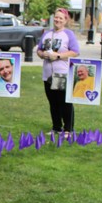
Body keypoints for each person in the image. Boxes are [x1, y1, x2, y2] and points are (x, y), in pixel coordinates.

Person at [36, 7, 79, 136]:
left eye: (61, 18)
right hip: (47, 74)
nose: (57, 20)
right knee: (53, 102)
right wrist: (42, 54)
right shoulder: (47, 34)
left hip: (61, 74)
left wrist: (58, 56)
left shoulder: (68, 34)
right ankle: (56, 127)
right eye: (56, 17)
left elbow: (75, 52)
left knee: (64, 102)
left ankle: (68, 129)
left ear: (65, 20)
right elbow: (39, 49)